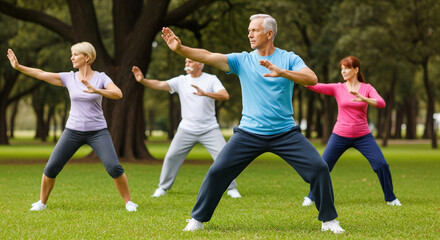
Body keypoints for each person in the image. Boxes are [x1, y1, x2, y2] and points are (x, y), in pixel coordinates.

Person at [160, 14, 345, 233]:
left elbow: (311, 78)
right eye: (249, 30)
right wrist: (181, 49)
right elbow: (208, 56)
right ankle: (197, 219)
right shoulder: (243, 60)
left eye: (254, 30)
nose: (249, 34)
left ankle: (329, 220)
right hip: (249, 133)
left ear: (269, 33)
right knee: (218, 171)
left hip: (285, 132)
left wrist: (282, 72)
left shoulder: (288, 58)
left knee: (319, 168)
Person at [7, 42, 138, 212]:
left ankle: (129, 202)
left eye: (76, 54)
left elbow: (118, 93)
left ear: (87, 58)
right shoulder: (69, 78)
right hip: (73, 131)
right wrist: (18, 67)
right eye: (72, 54)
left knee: (114, 167)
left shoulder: (101, 78)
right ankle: (42, 202)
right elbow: (41, 73)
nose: (72, 57)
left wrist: (97, 91)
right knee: (51, 167)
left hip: (97, 132)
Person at [131, 58, 241, 198]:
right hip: (186, 129)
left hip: (209, 129)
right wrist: (142, 80)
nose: (186, 64)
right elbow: (160, 84)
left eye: (190, 62)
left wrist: (205, 93)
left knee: (223, 157)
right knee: (171, 156)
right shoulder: (181, 80)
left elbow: (224, 95)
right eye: (186, 62)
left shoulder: (211, 79)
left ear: (200, 64)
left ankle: (231, 188)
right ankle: (163, 188)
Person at [302, 56, 401, 207]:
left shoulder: (367, 88)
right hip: (340, 135)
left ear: (356, 70)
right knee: (323, 166)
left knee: (381, 165)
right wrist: (291, 75)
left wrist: (364, 99)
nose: (343, 71)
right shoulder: (338, 88)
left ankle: (391, 198)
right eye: (341, 68)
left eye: (347, 68)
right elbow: (313, 86)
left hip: (363, 136)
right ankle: (311, 197)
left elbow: (381, 103)